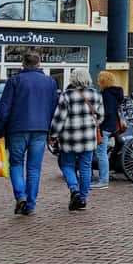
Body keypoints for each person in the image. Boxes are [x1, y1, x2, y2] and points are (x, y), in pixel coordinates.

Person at [0, 52, 58, 216]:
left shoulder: (14, 81)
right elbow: (53, 108)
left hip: (17, 128)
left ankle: (20, 196)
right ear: (39, 63)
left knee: (16, 163)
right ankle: (30, 204)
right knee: (34, 168)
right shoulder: (50, 83)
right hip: (41, 129)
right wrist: (51, 131)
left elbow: (4, 108)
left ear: (23, 63)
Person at [49, 69, 104, 211]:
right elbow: (101, 116)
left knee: (67, 165)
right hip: (88, 138)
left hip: (69, 138)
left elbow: (59, 118)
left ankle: (74, 190)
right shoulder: (96, 94)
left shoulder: (66, 95)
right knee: (85, 167)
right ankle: (83, 199)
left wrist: (53, 135)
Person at [93, 71, 124, 189]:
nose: (97, 81)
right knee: (103, 152)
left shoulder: (106, 95)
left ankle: (103, 180)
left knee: (101, 153)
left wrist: (98, 122)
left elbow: (107, 112)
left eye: (99, 79)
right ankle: (104, 174)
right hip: (113, 126)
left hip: (105, 126)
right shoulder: (115, 93)